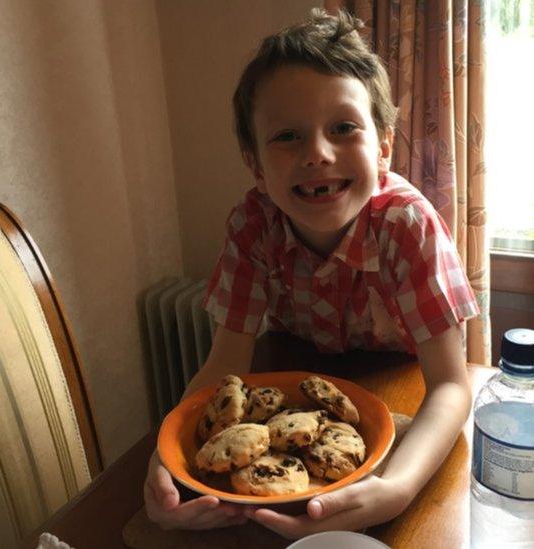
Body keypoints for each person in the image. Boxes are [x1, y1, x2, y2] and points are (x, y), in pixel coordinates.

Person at [144, 8, 479, 539]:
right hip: (301, 385)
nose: (318, 154)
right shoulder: (252, 225)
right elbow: (222, 369)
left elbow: (451, 388)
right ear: (254, 164)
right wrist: (170, 460)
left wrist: (398, 489)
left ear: (384, 145)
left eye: (343, 128)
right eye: (287, 137)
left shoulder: (407, 226)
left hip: (404, 390)